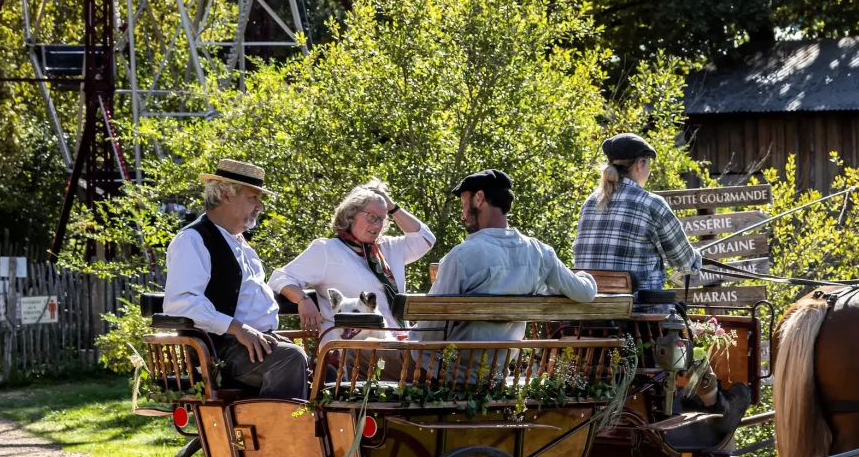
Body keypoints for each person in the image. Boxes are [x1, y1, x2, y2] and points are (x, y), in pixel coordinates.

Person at [162, 158, 309, 399]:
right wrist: (237, 328)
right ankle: (277, 435)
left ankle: (314, 436)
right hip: (221, 351)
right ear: (225, 195)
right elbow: (181, 303)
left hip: (255, 345)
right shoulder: (193, 240)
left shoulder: (239, 243)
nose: (260, 206)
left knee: (330, 371)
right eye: (253, 198)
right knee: (289, 359)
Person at [423, 168, 597, 341]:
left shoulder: (461, 256)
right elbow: (585, 293)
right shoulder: (539, 253)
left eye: (464, 205)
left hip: (453, 366)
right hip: (502, 364)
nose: (462, 216)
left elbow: (429, 329)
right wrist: (583, 276)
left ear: (479, 198)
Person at [270, 181, 435, 343]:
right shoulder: (328, 250)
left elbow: (425, 239)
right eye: (371, 217)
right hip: (350, 351)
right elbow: (280, 278)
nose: (377, 225)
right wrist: (303, 300)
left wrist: (392, 207)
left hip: (394, 344)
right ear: (351, 214)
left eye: (381, 219)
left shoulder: (386, 248)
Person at [574, 133, 703, 298]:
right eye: (648, 164)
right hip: (637, 315)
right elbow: (685, 263)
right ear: (640, 164)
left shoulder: (590, 203)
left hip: (592, 312)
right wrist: (696, 257)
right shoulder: (652, 204)